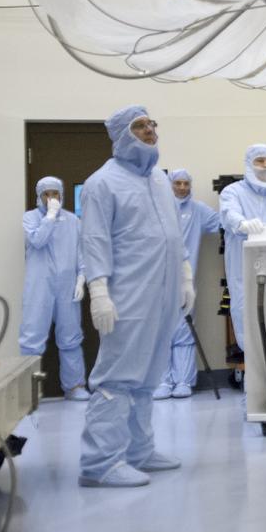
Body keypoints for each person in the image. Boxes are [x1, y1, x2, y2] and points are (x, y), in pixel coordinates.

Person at [79, 106, 193, 488]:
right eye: (139, 126)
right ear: (121, 135)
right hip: (127, 294)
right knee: (117, 378)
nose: (149, 130)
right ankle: (100, 463)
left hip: (163, 293)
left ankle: (138, 451)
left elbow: (174, 233)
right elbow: (94, 240)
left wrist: (185, 277)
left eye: (151, 124)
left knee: (147, 377)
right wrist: (98, 292)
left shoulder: (160, 180)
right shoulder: (101, 183)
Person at [219, 144, 266, 350]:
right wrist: (242, 224)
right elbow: (229, 213)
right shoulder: (233, 192)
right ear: (248, 164)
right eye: (259, 161)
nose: (265, 165)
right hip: (243, 267)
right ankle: (251, 359)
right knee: (245, 312)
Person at [154, 170, 222, 399]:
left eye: (186, 183)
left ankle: (183, 381)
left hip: (186, 282)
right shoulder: (157, 208)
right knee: (159, 332)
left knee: (184, 330)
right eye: (177, 183)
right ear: (169, 185)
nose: (182, 187)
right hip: (157, 281)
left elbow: (222, 223)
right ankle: (162, 381)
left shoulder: (198, 210)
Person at [20, 176, 88, 400]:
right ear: (39, 196)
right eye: (46, 194)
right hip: (39, 285)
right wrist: (49, 217)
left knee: (70, 336)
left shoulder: (73, 221)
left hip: (67, 285)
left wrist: (81, 278)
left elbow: (81, 253)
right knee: (32, 339)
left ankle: (74, 386)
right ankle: (29, 391)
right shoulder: (30, 218)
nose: (51, 198)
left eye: (55, 193)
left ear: (62, 194)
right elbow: (37, 241)